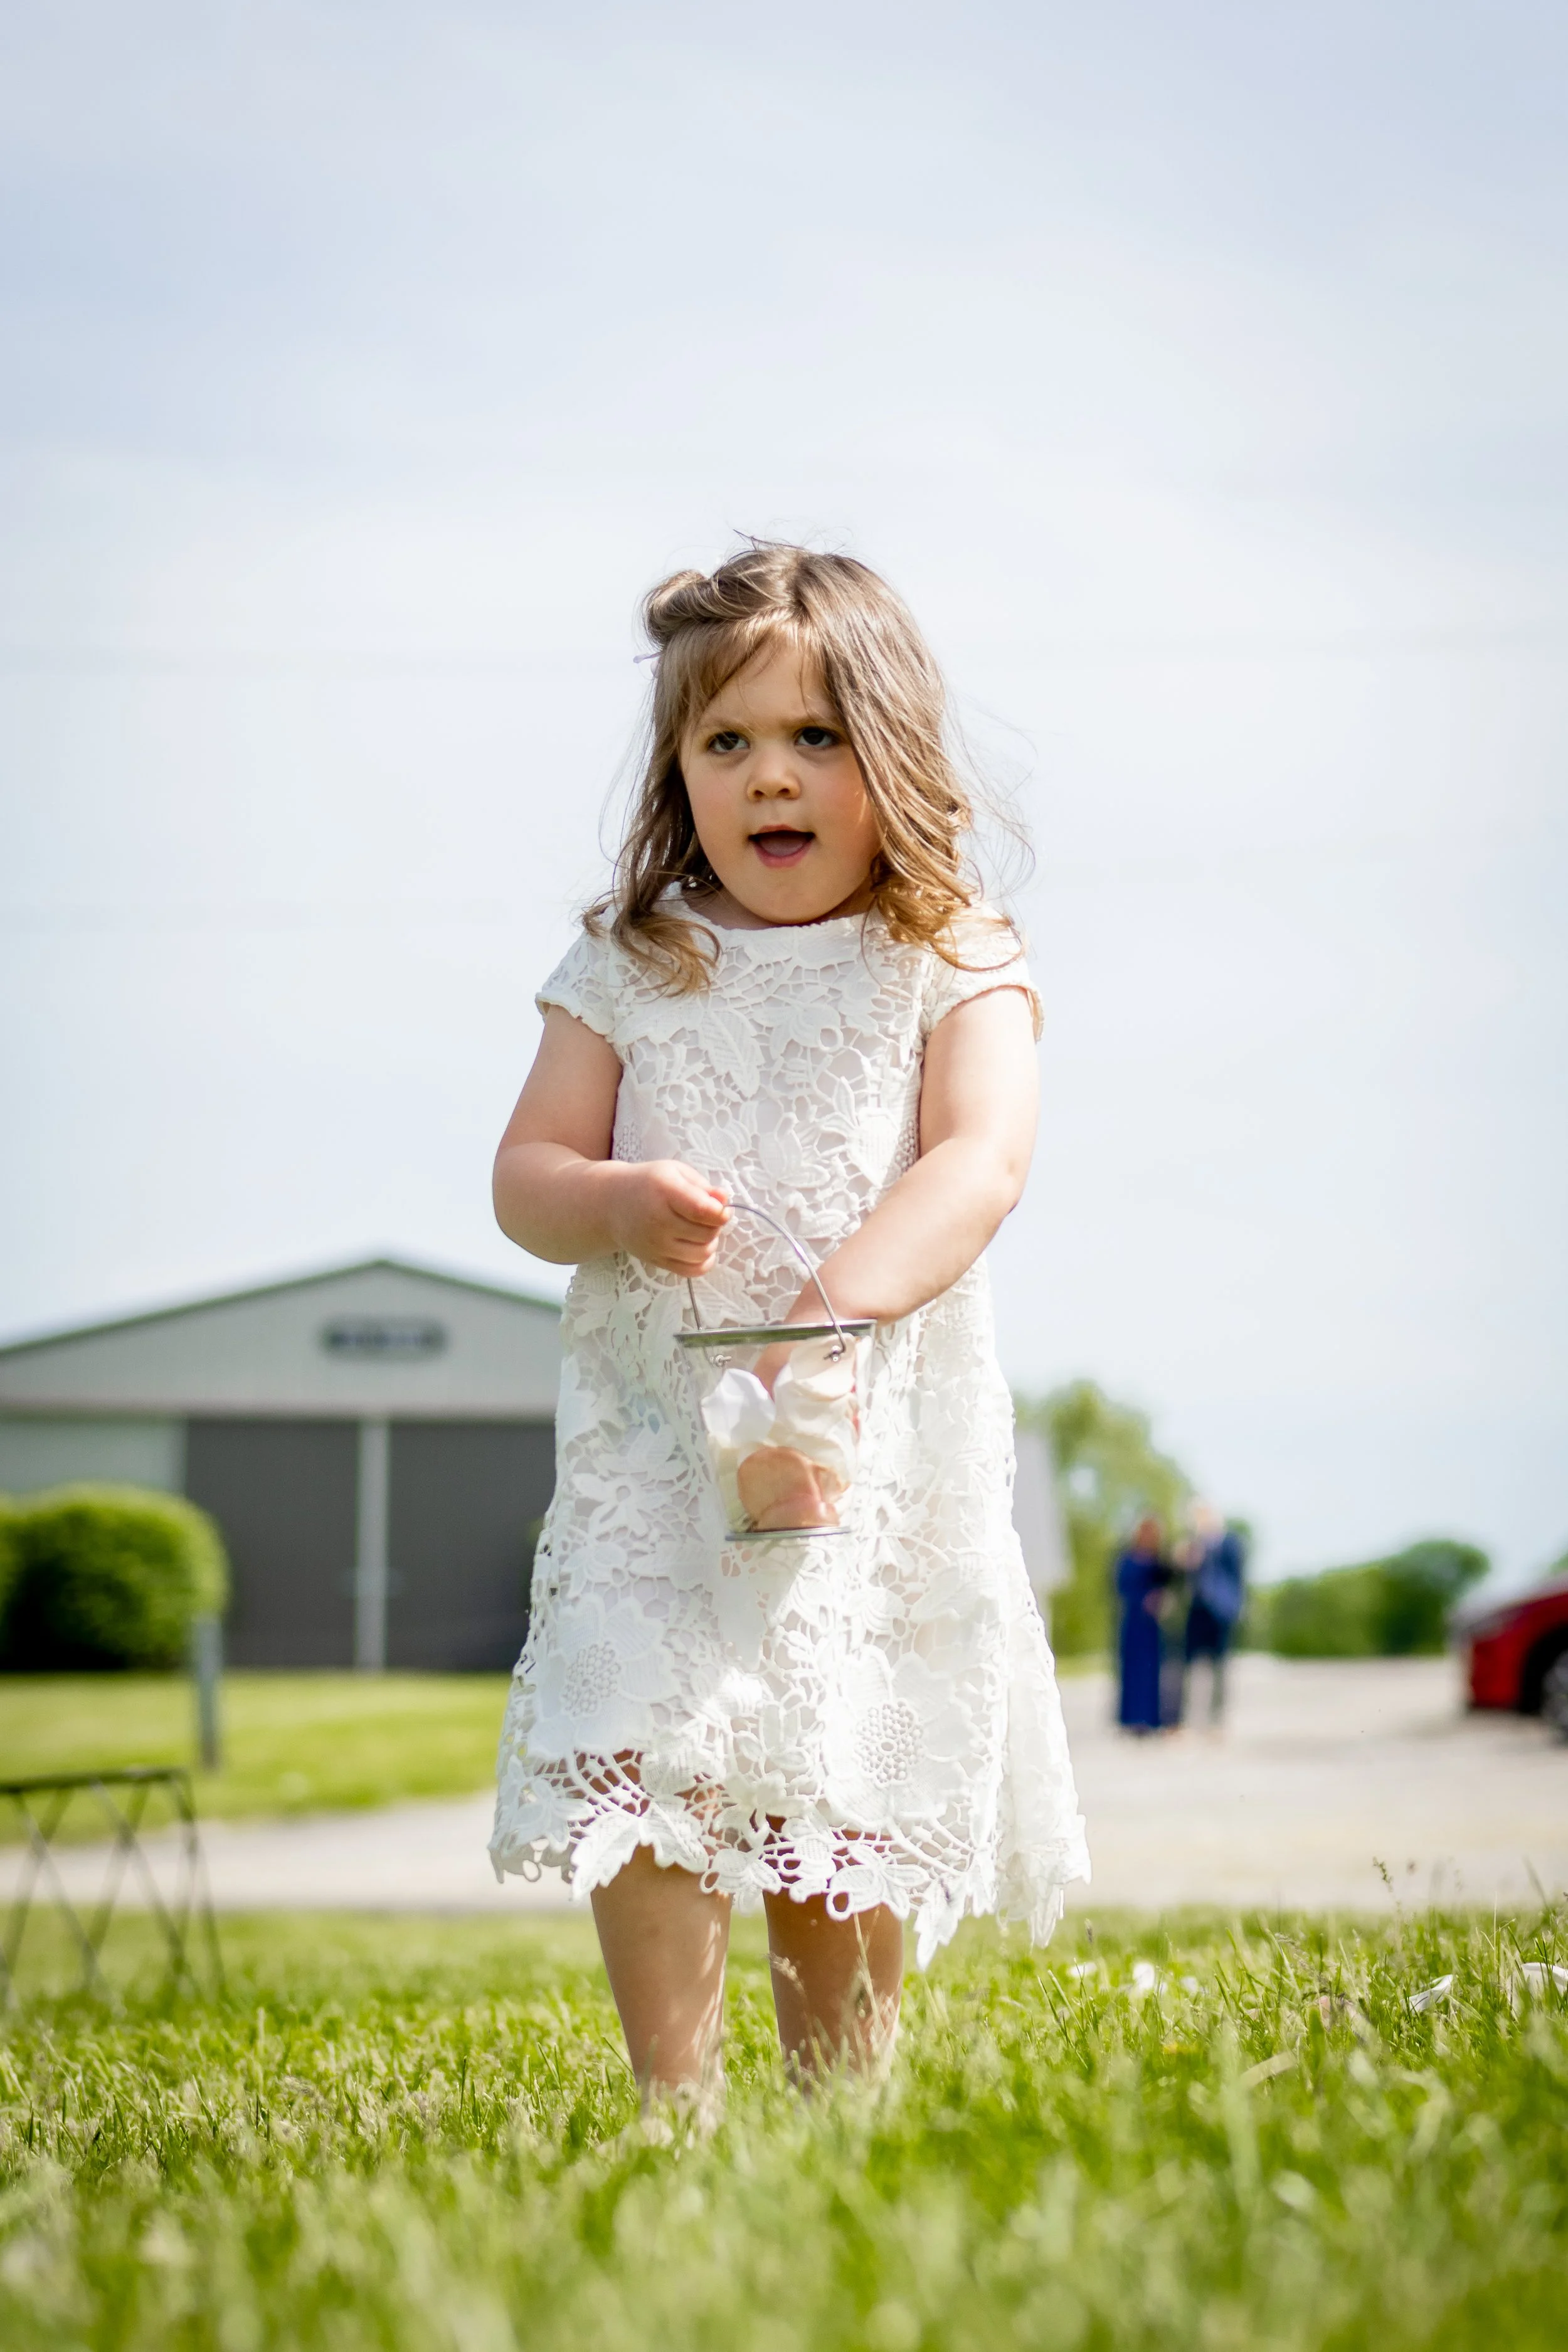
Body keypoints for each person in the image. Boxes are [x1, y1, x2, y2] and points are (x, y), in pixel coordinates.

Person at [488, 543, 1089, 2111]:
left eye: (815, 738)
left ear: (889, 751)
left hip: (853, 1431)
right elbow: (524, 1175)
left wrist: (829, 1309)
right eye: (727, 742)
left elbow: (980, 1157)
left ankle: (839, 2102)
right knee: (648, 1740)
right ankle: (671, 2106)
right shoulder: (630, 961)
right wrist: (612, 1198)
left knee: (824, 1753)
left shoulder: (948, 950)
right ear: (679, 769)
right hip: (660, 1447)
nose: (771, 774)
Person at [1183, 1501, 1246, 1729]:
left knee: (1220, 1667)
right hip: (1197, 1609)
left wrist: (1237, 1607)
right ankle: (1191, 1719)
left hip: (1221, 1610)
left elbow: (1237, 1577)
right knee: (1191, 1666)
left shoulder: (1230, 1543)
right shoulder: (1193, 1545)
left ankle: (1216, 1721)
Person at [1115, 1515, 1170, 1735]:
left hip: (1152, 1625)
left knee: (1152, 1672)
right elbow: (1122, 1588)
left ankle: (1151, 1719)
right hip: (1134, 1620)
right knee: (1132, 1671)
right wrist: (1143, 1600)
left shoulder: (1158, 1561)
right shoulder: (1127, 1559)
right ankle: (1132, 1719)